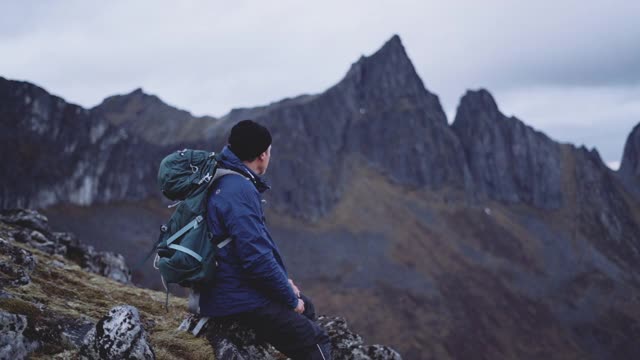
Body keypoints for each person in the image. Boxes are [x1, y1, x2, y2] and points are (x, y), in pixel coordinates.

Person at [201, 119, 332, 360]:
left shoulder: (222, 178)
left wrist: (285, 284)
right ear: (262, 155)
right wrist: (289, 298)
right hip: (236, 297)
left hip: (223, 287)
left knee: (307, 307)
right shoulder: (239, 189)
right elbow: (256, 259)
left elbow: (244, 249)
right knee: (316, 343)